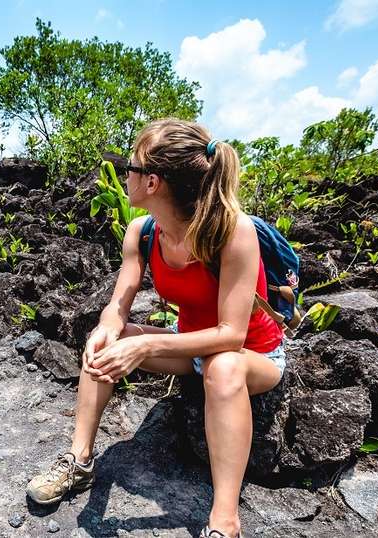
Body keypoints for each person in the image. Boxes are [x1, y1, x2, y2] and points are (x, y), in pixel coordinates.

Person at [25, 119, 287, 538]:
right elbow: (118, 305)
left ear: (152, 182)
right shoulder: (143, 232)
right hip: (193, 350)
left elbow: (231, 336)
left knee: (222, 367)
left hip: (252, 358)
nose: (122, 173)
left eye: (130, 166)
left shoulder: (232, 231)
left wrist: (145, 347)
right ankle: (79, 461)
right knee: (106, 341)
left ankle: (224, 518)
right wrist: (110, 329)